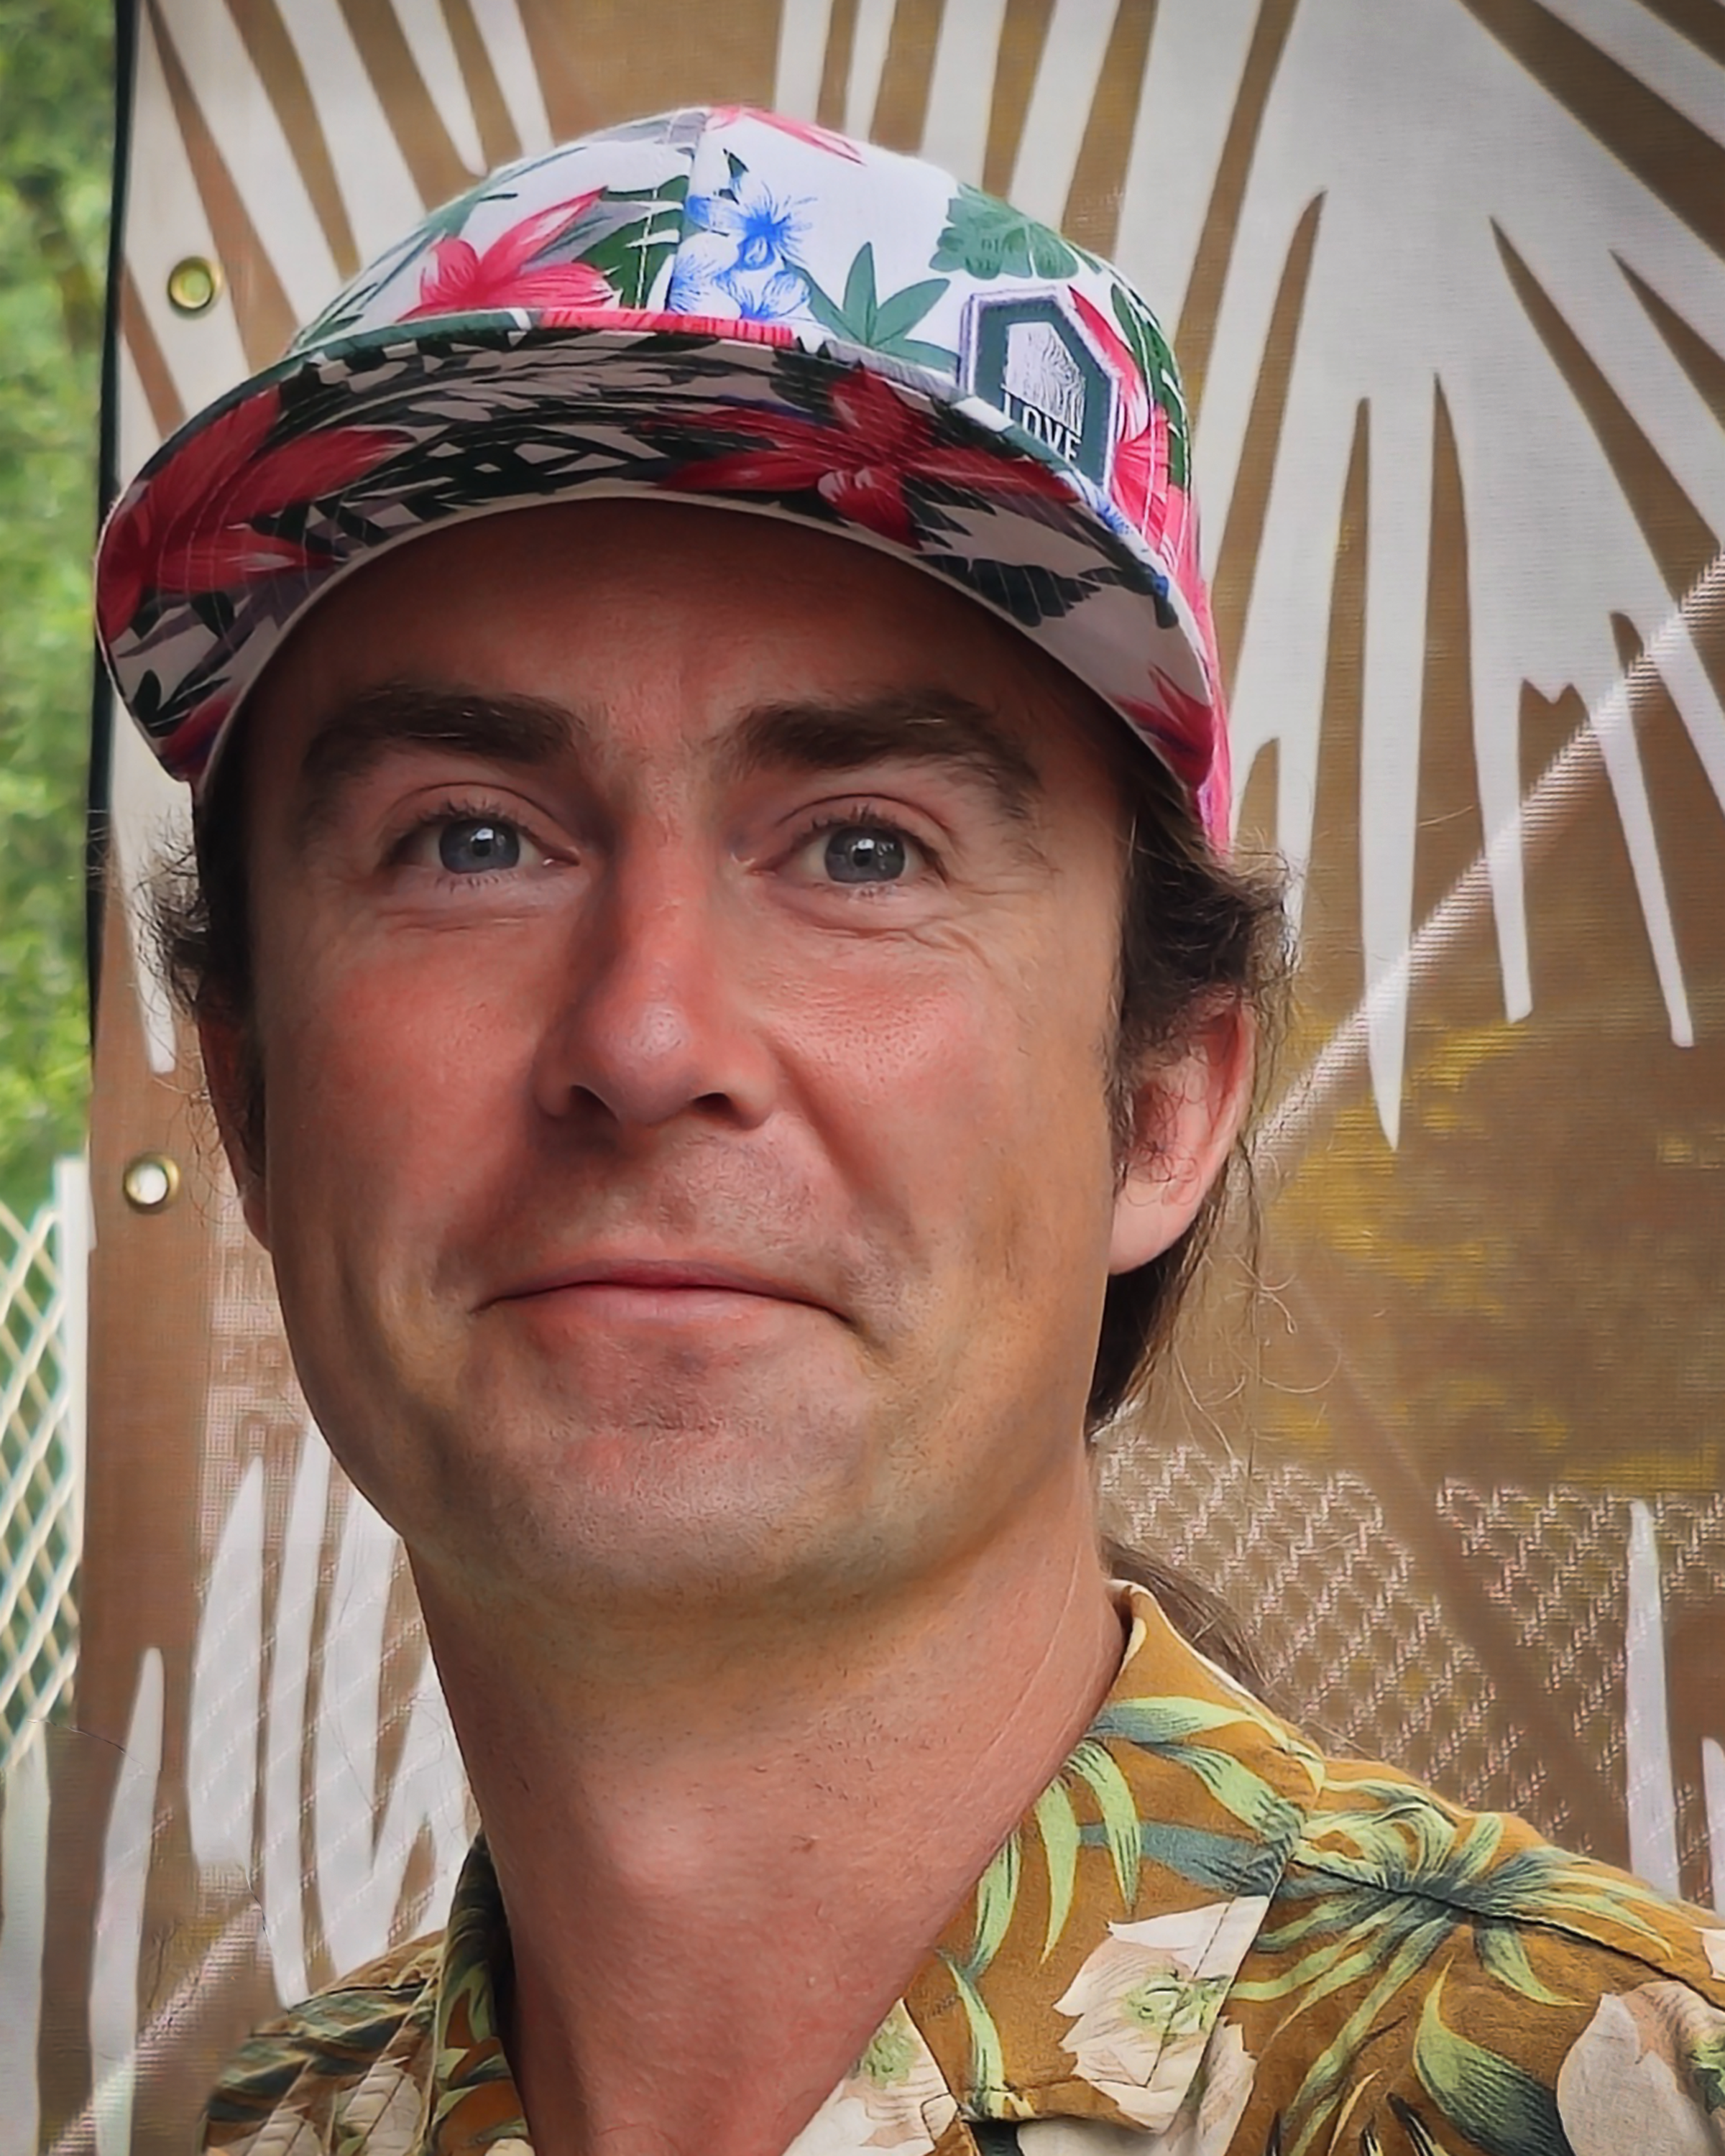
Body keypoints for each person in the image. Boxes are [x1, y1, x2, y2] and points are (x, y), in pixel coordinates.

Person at [97, 106, 1725, 2156]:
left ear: (1159, 1104)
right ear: (246, 1098)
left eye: (865, 846)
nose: (648, 1029)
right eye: (473, 838)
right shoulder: (264, 2134)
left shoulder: (1610, 2106)